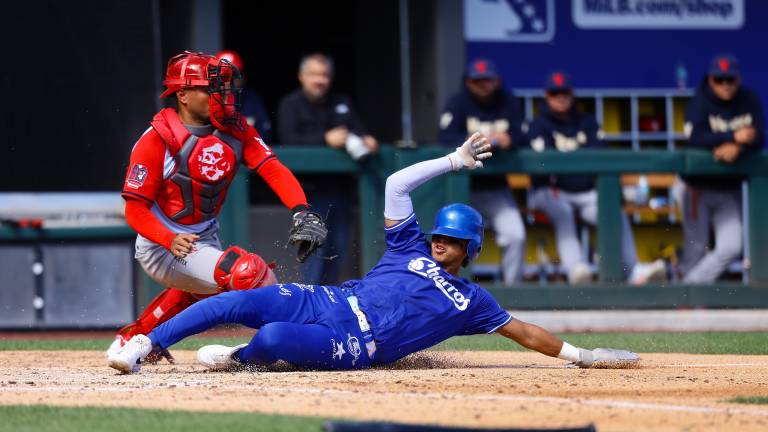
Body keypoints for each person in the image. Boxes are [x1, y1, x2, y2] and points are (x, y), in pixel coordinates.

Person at [108, 133, 638, 374]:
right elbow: (394, 186)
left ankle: (239, 360)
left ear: (469, 249)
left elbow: (525, 333)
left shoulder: (472, 301)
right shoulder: (410, 244)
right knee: (242, 300)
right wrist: (452, 161)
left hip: (357, 341)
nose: (440, 243)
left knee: (268, 339)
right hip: (328, 301)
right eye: (439, 235)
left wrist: (581, 355)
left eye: (451, 241)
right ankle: (142, 345)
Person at [108, 51, 328, 362]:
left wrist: (301, 209)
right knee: (249, 274)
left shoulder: (234, 128)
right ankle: (289, 345)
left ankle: (136, 339)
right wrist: (169, 238)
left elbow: (272, 168)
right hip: (162, 243)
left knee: (205, 288)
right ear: (182, 95)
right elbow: (135, 210)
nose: (220, 94)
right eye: (210, 88)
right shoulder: (157, 138)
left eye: (222, 87)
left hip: (204, 237)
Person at [527, 71, 666, 285]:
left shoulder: (586, 121)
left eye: (564, 92)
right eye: (555, 93)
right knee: (563, 214)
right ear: (547, 96)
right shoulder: (539, 124)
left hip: (586, 192)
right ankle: (576, 271)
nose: (560, 97)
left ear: (572, 94)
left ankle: (633, 270)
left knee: (612, 212)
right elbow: (541, 168)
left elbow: (603, 158)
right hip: (551, 191)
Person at [277, 53, 378, 284]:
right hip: (306, 194)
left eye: (324, 75)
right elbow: (287, 141)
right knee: (313, 253)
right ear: (302, 77)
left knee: (337, 251)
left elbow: (359, 130)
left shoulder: (340, 101)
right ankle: (308, 305)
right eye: (314, 74)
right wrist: (325, 138)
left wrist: (367, 140)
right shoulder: (290, 104)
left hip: (341, 191)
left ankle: (327, 306)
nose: (319, 80)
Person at [438, 58, 527, 284]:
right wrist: (476, 141)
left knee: (515, 235)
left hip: (495, 188)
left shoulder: (508, 102)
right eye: (477, 81)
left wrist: (510, 139)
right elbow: (444, 138)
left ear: (496, 81)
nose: (483, 85)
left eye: (487, 80)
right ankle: (450, 288)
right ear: (468, 82)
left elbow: (526, 135)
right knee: (456, 240)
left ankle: (512, 292)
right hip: (460, 189)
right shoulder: (458, 103)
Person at [679, 54, 764, 283]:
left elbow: (759, 138)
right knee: (695, 250)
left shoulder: (749, 99)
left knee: (732, 246)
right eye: (719, 79)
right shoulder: (698, 102)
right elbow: (695, 138)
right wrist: (733, 136)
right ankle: (686, 295)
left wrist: (738, 147)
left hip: (728, 190)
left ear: (738, 79)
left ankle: (687, 289)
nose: (725, 85)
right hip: (697, 188)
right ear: (710, 80)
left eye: (730, 79)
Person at [216, 50, 273, 142]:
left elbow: (264, 134)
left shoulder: (252, 98)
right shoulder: (206, 99)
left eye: (235, 75)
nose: (230, 81)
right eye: (224, 76)